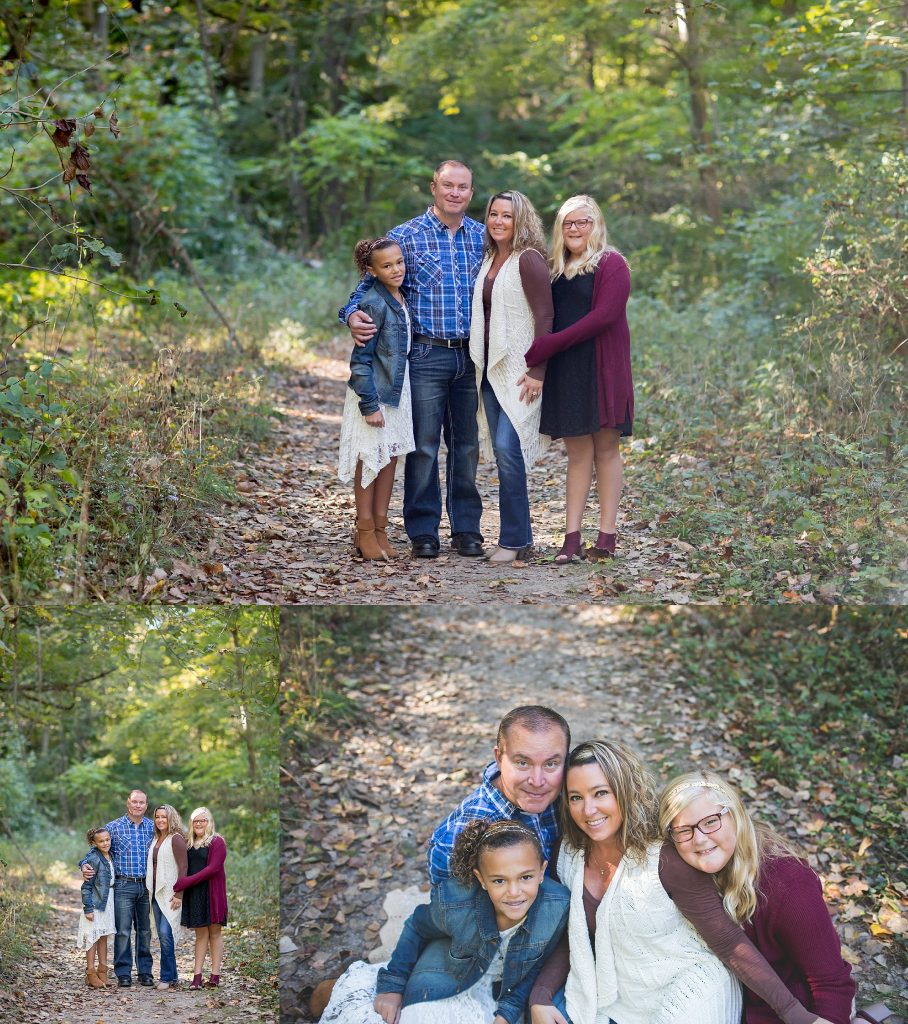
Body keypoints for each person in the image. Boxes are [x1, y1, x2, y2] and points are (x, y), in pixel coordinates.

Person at [528, 740, 741, 1024]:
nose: (588, 810)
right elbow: (571, 937)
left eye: (600, 793)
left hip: (689, 985)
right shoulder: (567, 857)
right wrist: (539, 996)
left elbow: (728, 942)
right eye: (575, 797)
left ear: (625, 791)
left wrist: (797, 1015)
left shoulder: (664, 859)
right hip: (612, 996)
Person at [340, 160, 486, 560]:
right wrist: (351, 315)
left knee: (466, 445)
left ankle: (467, 529)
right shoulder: (405, 236)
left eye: (463, 187)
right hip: (424, 354)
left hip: (470, 355)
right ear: (434, 188)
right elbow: (366, 288)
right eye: (448, 185)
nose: (455, 193)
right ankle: (423, 531)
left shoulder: (482, 237)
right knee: (421, 447)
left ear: (471, 193)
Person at [319, 819, 571, 1024]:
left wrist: (506, 1015)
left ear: (541, 872)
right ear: (481, 880)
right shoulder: (456, 900)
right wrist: (392, 986)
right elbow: (416, 926)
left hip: (497, 992)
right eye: (498, 881)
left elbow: (533, 969)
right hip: (446, 980)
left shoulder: (556, 907)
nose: (514, 892)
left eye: (525, 877)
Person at [659, 771, 855, 1024]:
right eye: (683, 830)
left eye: (710, 822)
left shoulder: (788, 882)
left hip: (790, 1012)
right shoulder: (682, 872)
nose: (699, 839)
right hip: (723, 1000)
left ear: (736, 815)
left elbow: (830, 981)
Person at [523, 195, 633, 563]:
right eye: (567, 223)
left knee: (605, 449)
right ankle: (571, 538)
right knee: (577, 454)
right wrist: (547, 352)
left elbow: (604, 317)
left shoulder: (612, 264)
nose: (574, 229)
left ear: (595, 224)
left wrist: (548, 345)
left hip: (603, 368)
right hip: (568, 370)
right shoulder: (555, 268)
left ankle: (606, 537)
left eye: (581, 222)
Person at [468, 190, 553, 562]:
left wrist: (538, 369)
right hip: (489, 369)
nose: (499, 221)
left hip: (521, 372)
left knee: (507, 448)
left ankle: (515, 540)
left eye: (507, 216)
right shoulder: (489, 258)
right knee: (505, 454)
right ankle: (518, 539)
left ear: (521, 220)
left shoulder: (529, 259)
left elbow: (546, 317)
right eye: (493, 214)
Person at [427, 705, 569, 884]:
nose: (538, 781)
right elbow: (453, 909)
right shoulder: (458, 837)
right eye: (523, 763)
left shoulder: (573, 798)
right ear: (499, 758)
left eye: (550, 764)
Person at [338, 237, 415, 560]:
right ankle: (365, 530)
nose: (396, 269)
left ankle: (381, 531)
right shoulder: (372, 302)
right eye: (386, 266)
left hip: (399, 390)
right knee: (371, 460)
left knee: (390, 459)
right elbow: (360, 362)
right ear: (371, 271)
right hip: (376, 393)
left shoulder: (400, 294)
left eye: (399, 262)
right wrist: (369, 405)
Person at [80, 789, 155, 987]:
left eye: (142, 803)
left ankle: (145, 972)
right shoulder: (113, 827)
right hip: (123, 885)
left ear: (146, 805)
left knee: (145, 930)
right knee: (122, 931)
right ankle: (123, 973)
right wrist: (83, 865)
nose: (138, 805)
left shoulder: (152, 827)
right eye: (135, 802)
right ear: (128, 803)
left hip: (146, 886)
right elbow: (95, 850)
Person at [173, 806, 228, 990]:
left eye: (202, 820)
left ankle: (215, 976)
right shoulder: (189, 843)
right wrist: (184, 885)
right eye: (195, 820)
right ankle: (197, 977)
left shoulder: (217, 841)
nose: (198, 823)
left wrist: (185, 882)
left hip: (213, 893)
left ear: (209, 822)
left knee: (215, 933)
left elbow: (212, 869)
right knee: (200, 935)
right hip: (196, 894)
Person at [146, 804, 188, 991]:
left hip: (171, 894)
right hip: (156, 893)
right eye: (157, 817)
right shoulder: (157, 838)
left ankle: (166, 977)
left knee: (165, 933)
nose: (160, 820)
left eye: (164, 817)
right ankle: (172, 977)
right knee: (164, 936)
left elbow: (183, 868)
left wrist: (179, 893)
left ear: (171, 818)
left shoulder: (176, 838)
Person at [77, 826, 116, 989]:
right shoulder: (94, 858)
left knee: (103, 935)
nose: (106, 843)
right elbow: (86, 887)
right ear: (94, 843)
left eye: (107, 839)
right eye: (101, 841)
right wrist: (88, 908)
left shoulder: (110, 855)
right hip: (96, 902)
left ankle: (102, 971)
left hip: (108, 901)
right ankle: (91, 973)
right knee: (92, 937)